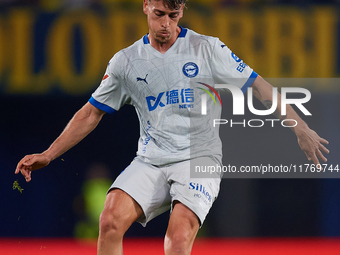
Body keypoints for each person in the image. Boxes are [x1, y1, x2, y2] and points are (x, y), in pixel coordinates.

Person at [16, 0, 329, 254]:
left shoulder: (208, 49)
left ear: (182, 11)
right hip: (151, 161)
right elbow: (90, 113)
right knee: (109, 220)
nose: (165, 23)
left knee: (176, 241)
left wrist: (299, 127)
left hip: (198, 160)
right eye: (159, 14)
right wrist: (48, 154)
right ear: (145, 7)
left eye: (173, 14)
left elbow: (260, 88)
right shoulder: (125, 62)